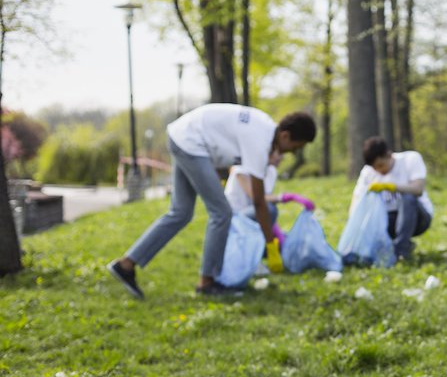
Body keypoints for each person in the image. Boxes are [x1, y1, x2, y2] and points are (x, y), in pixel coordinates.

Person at [107, 104, 316, 297]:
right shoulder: (259, 142)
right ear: (286, 135)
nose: (293, 152)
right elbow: (259, 202)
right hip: (191, 142)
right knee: (221, 212)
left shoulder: (265, 128)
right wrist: (271, 247)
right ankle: (207, 282)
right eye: (296, 147)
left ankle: (126, 265)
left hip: (183, 135)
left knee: (180, 213)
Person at [349, 136, 433, 260]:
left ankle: (400, 252)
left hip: (417, 217)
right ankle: (384, 249)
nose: (379, 171)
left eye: (381, 165)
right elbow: (356, 202)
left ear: (388, 155)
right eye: (375, 168)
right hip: (388, 220)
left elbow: (418, 189)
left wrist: (393, 187)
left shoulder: (410, 159)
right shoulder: (368, 172)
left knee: (408, 198)